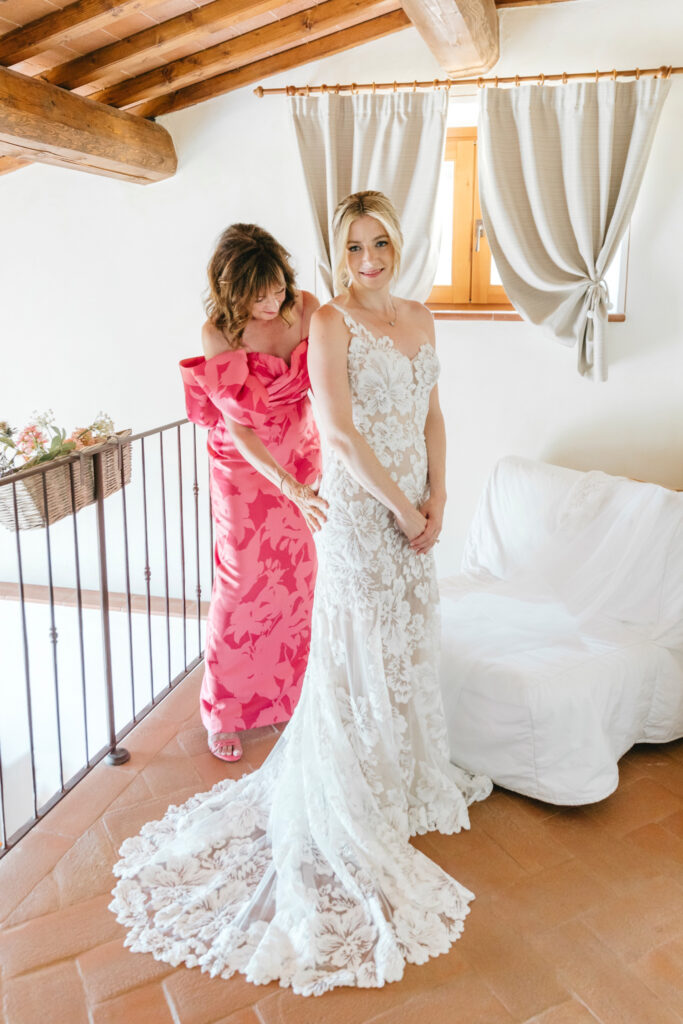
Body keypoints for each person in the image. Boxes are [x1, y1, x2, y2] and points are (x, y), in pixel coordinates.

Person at [111, 192, 491, 995]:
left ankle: (400, 767)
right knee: (275, 605)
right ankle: (255, 726)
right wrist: (391, 503)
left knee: (377, 628)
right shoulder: (303, 324)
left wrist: (440, 499)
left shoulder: (399, 316)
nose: (367, 259)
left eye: (378, 242)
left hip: (367, 488)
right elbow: (324, 429)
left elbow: (430, 412)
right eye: (351, 246)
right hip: (307, 488)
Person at [179, 224, 326, 762]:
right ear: (232, 291)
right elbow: (239, 428)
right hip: (244, 471)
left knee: (299, 580)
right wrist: (284, 483)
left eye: (277, 288)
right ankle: (224, 709)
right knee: (241, 586)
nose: (272, 303)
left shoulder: (306, 309)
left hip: (303, 459)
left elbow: (333, 384)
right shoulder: (218, 334)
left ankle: (292, 696)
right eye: (257, 294)